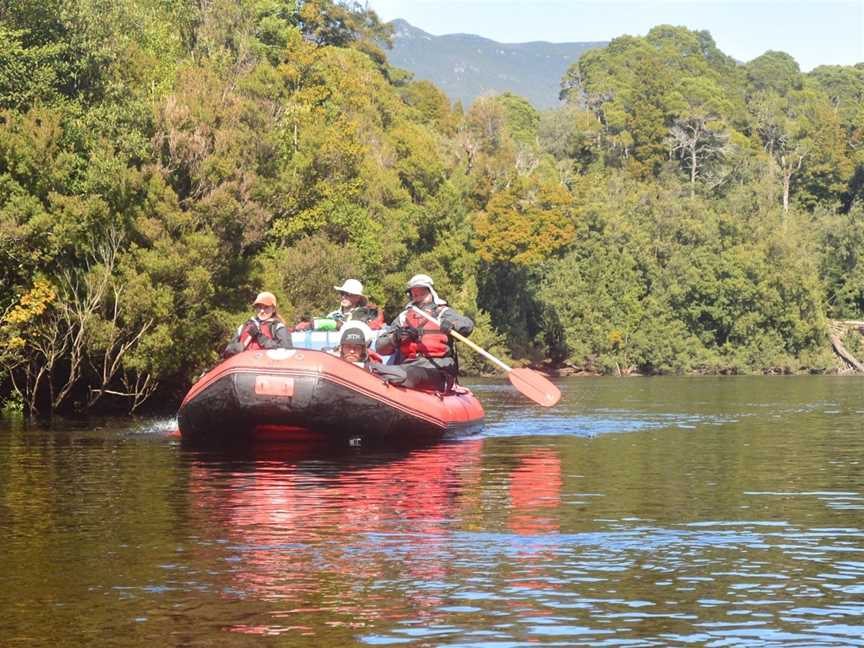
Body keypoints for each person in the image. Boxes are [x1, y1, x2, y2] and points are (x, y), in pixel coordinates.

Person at [373, 274, 473, 391]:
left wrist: (453, 325)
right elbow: (380, 347)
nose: (419, 297)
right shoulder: (404, 317)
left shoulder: (443, 312)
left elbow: (467, 325)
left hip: (437, 369)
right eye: (415, 294)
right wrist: (395, 338)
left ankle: (394, 375)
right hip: (409, 365)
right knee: (403, 371)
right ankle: (375, 371)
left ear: (431, 293)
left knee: (411, 373)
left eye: (422, 293)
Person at [223, 292, 293, 358]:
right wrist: (241, 346)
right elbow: (227, 351)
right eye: (259, 307)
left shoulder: (278, 327)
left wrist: (261, 338)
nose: (262, 311)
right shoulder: (244, 326)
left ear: (273, 309)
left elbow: (287, 350)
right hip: (245, 367)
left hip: (265, 367)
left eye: (266, 307)